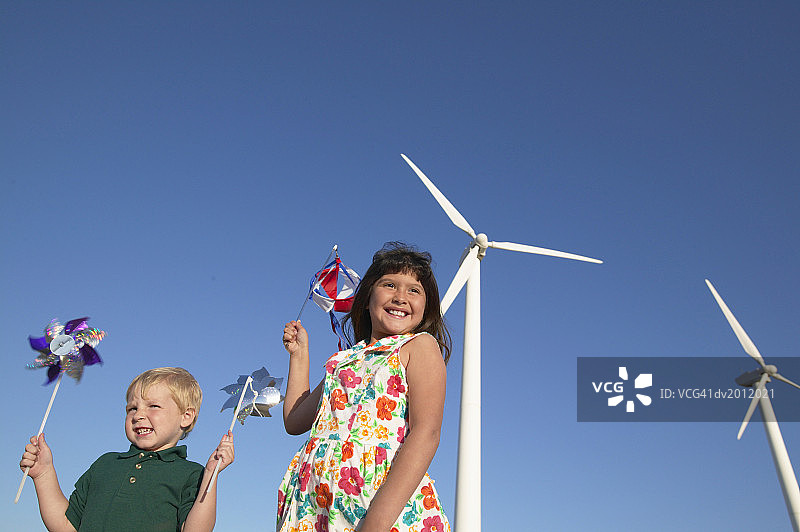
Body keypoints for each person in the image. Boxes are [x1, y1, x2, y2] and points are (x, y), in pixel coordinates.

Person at [279, 242, 451, 532]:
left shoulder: (418, 346)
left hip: (381, 508)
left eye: (414, 290)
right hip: (317, 504)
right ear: (368, 295)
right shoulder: (343, 361)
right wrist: (299, 355)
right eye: (389, 285)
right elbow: (295, 420)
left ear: (427, 305)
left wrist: (375, 524)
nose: (400, 297)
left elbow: (427, 432)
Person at [19, 367, 235, 532]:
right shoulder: (105, 464)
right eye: (132, 408)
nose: (138, 415)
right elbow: (66, 525)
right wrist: (44, 474)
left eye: (153, 406)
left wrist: (210, 476)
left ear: (186, 416)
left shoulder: (190, 474)